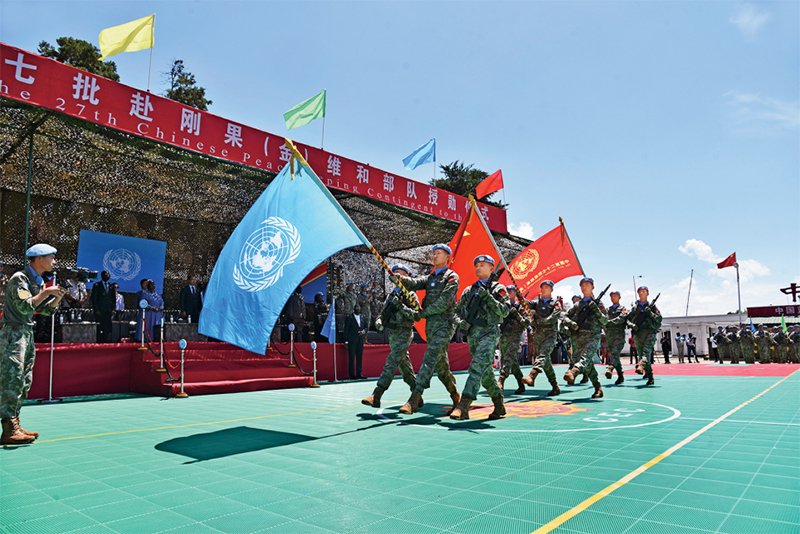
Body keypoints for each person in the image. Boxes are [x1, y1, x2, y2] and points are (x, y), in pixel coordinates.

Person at [1, 244, 66, 445]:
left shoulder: (36, 281)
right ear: (39, 259)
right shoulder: (20, 278)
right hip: (14, 333)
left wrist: (55, 299)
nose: (54, 261)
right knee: (13, 377)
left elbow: (44, 311)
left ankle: (14, 423)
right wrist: (46, 293)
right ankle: (9, 428)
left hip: (26, 332)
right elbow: (24, 307)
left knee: (24, 379)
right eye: (51, 257)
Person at [394, 244, 460, 415]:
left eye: (439, 253)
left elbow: (444, 302)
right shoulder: (431, 277)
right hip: (431, 326)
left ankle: (414, 398)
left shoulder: (451, 277)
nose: (435, 256)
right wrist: (400, 279)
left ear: (448, 257)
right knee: (441, 366)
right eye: (434, 253)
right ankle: (455, 396)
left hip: (445, 325)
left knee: (430, 358)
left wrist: (423, 313)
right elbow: (415, 283)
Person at [449, 255, 509, 420]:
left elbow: (505, 311)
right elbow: (455, 312)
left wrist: (488, 298)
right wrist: (461, 323)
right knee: (485, 374)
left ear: (491, 268)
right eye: (477, 265)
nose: (478, 267)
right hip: (472, 335)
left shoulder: (498, 289)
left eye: (483, 264)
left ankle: (464, 405)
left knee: (476, 367)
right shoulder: (469, 290)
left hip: (489, 333)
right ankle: (499, 404)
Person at [361, 264, 419, 407]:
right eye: (395, 274)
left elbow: (416, 315)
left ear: (407, 276)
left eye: (400, 273)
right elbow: (383, 312)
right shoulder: (392, 295)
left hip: (404, 332)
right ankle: (417, 395)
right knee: (404, 367)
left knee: (392, 361)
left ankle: (377, 394)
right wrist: (379, 321)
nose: (396, 277)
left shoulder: (410, 294)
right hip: (393, 333)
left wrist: (401, 306)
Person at [562, 277, 607, 398]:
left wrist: (596, 310)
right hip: (578, 337)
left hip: (593, 336)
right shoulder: (578, 305)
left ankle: (574, 371)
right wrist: (572, 323)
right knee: (588, 364)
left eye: (587, 284)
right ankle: (598, 387)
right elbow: (565, 317)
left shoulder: (599, 304)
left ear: (593, 287)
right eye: (582, 285)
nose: (584, 287)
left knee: (585, 357)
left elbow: (605, 320)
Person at [522, 280, 562, 396]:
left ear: (551, 289)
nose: (545, 289)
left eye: (547, 287)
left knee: (543, 355)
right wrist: (520, 297)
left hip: (550, 335)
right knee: (546, 363)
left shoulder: (555, 303)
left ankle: (532, 376)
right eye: (543, 287)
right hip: (538, 336)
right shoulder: (537, 303)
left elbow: (554, 317)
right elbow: (526, 304)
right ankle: (555, 386)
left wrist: (540, 321)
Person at [626, 286, 662, 386]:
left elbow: (659, 319)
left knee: (646, 353)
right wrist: (632, 325)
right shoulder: (635, 308)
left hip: (650, 333)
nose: (642, 293)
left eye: (644, 291)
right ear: (638, 294)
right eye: (640, 292)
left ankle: (641, 365)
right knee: (642, 355)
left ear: (647, 293)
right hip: (638, 334)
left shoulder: (652, 307)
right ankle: (650, 376)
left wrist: (649, 312)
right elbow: (627, 319)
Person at [497, 285, 529, 395]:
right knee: (512, 361)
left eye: (512, 290)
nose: (509, 292)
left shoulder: (520, 307)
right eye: (508, 291)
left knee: (508, 357)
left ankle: (501, 380)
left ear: (515, 293)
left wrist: (516, 314)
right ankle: (521, 384)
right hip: (503, 336)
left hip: (515, 336)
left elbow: (526, 322)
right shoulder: (503, 305)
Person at [604, 290, 627, 384]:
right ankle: (620, 375)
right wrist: (605, 325)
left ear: (619, 297)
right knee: (614, 355)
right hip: (610, 335)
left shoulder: (623, 309)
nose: (613, 298)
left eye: (615, 296)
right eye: (612, 296)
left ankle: (610, 368)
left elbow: (621, 319)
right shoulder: (608, 310)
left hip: (619, 335)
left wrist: (609, 323)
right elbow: (604, 319)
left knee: (614, 352)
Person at [344, 304, 367, 379]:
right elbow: (346, 329)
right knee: (351, 358)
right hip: (352, 340)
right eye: (356, 307)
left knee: (359, 357)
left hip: (360, 340)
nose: (357, 309)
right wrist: (346, 340)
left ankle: (359, 374)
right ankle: (352, 375)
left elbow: (366, 327)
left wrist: (363, 331)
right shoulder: (349, 317)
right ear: (354, 309)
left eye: (358, 307)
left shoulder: (363, 317)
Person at [90, 270, 114, 343]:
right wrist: (96, 309)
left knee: (106, 325)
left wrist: (113, 308)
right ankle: (98, 340)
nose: (108, 276)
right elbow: (94, 298)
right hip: (100, 309)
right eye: (106, 274)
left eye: (109, 275)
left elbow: (113, 298)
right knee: (99, 325)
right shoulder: (97, 285)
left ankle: (105, 340)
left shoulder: (111, 285)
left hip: (108, 309)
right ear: (102, 276)